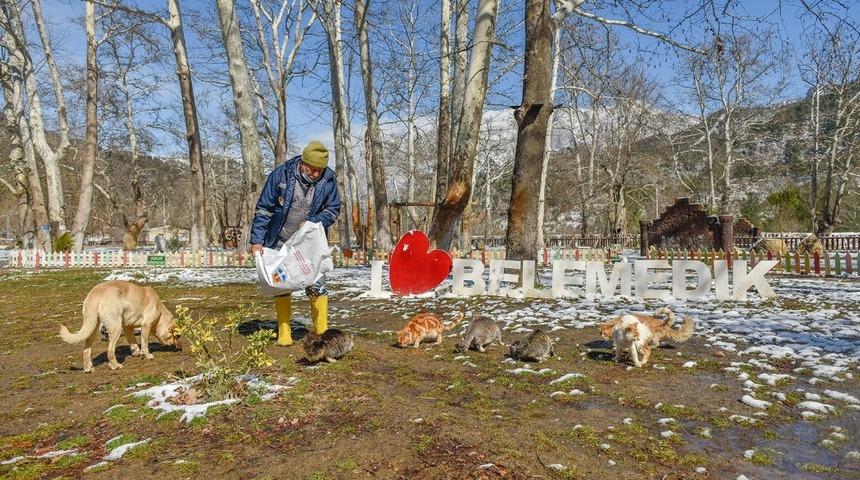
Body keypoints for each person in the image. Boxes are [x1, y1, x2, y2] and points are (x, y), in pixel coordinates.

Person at [250, 141, 340, 346]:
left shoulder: (329, 180)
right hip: (280, 239)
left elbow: (333, 210)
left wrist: (314, 222)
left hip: (309, 242)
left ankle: (321, 332)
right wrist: (257, 240)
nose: (316, 173)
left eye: (320, 170)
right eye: (313, 169)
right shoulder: (281, 175)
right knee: (282, 283)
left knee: (317, 283)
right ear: (303, 162)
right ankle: (284, 332)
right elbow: (264, 209)